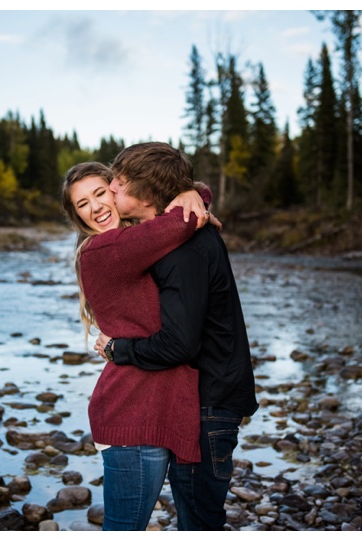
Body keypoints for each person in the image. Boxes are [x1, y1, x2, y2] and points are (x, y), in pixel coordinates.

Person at [94, 142, 259, 531]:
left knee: (199, 522)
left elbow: (179, 344)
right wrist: (197, 193)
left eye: (120, 181)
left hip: (210, 407)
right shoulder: (176, 231)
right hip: (206, 399)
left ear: (148, 194)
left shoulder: (182, 249)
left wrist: (120, 349)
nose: (112, 187)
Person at [61, 161, 219, 531]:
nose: (96, 207)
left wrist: (191, 191)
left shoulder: (139, 241)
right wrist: (192, 193)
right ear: (76, 216)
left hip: (154, 410)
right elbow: (188, 216)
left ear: (118, 191)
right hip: (132, 418)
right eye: (82, 204)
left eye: (101, 193)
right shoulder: (105, 249)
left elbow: (196, 199)